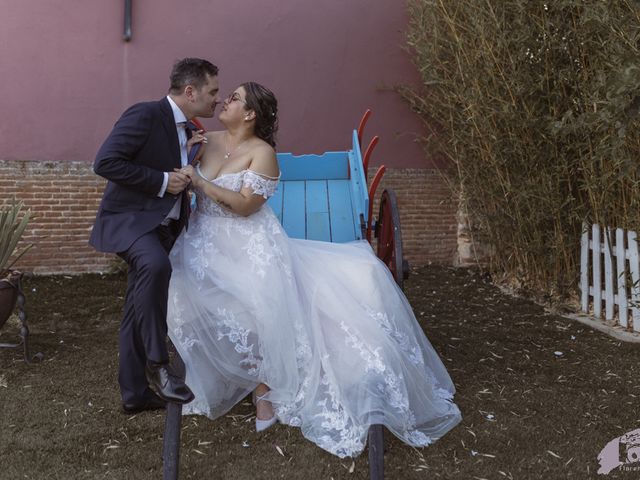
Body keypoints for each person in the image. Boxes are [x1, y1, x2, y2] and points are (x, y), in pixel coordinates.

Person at [168, 82, 462, 457]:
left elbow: (245, 206)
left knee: (259, 298)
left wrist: (200, 183)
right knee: (179, 290)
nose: (225, 100)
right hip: (204, 241)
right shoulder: (202, 140)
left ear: (251, 113)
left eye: (235, 97)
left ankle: (265, 386)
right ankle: (225, 372)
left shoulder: (263, 154)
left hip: (249, 244)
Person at [89, 58, 221, 414]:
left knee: (137, 309)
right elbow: (106, 162)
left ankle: (134, 395)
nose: (217, 99)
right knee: (156, 266)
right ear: (190, 91)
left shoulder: (189, 129)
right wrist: (164, 181)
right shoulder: (145, 114)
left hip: (165, 227)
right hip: (131, 223)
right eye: (213, 91)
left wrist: (191, 152)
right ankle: (159, 366)